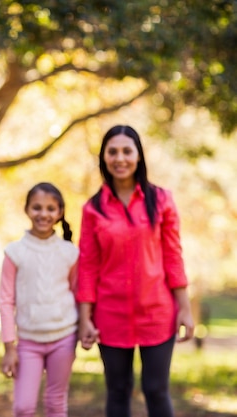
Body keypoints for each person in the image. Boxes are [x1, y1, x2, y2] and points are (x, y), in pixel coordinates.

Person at [76, 125, 195, 417]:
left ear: (139, 155)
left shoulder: (162, 200)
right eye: (112, 151)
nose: (120, 158)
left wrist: (185, 309)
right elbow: (88, 266)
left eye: (127, 151)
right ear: (103, 158)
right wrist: (84, 318)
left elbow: (173, 257)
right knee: (117, 391)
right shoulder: (93, 209)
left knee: (156, 390)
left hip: (157, 312)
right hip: (110, 315)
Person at [0, 182, 79, 417]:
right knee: (23, 407)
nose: (43, 214)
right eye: (37, 207)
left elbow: (77, 294)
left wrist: (84, 327)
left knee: (56, 403)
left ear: (60, 212)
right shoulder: (14, 252)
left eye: (50, 208)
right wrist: (9, 347)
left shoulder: (70, 252)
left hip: (64, 338)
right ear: (27, 210)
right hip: (28, 343)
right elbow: (6, 301)